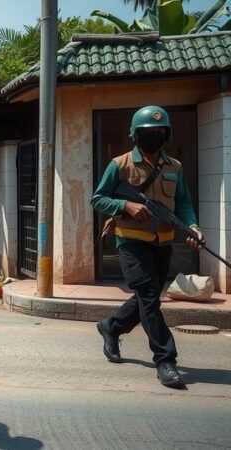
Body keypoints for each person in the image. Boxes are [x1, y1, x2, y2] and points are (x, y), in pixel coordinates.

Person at [91, 105, 202, 389]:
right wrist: (125, 204)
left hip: (162, 243)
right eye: (146, 133)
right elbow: (98, 199)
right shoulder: (120, 164)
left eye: (158, 133)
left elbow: (185, 205)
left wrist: (193, 228)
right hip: (130, 243)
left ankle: (111, 327)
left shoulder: (174, 167)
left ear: (166, 135)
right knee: (150, 301)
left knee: (146, 298)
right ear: (135, 136)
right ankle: (165, 360)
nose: (152, 138)